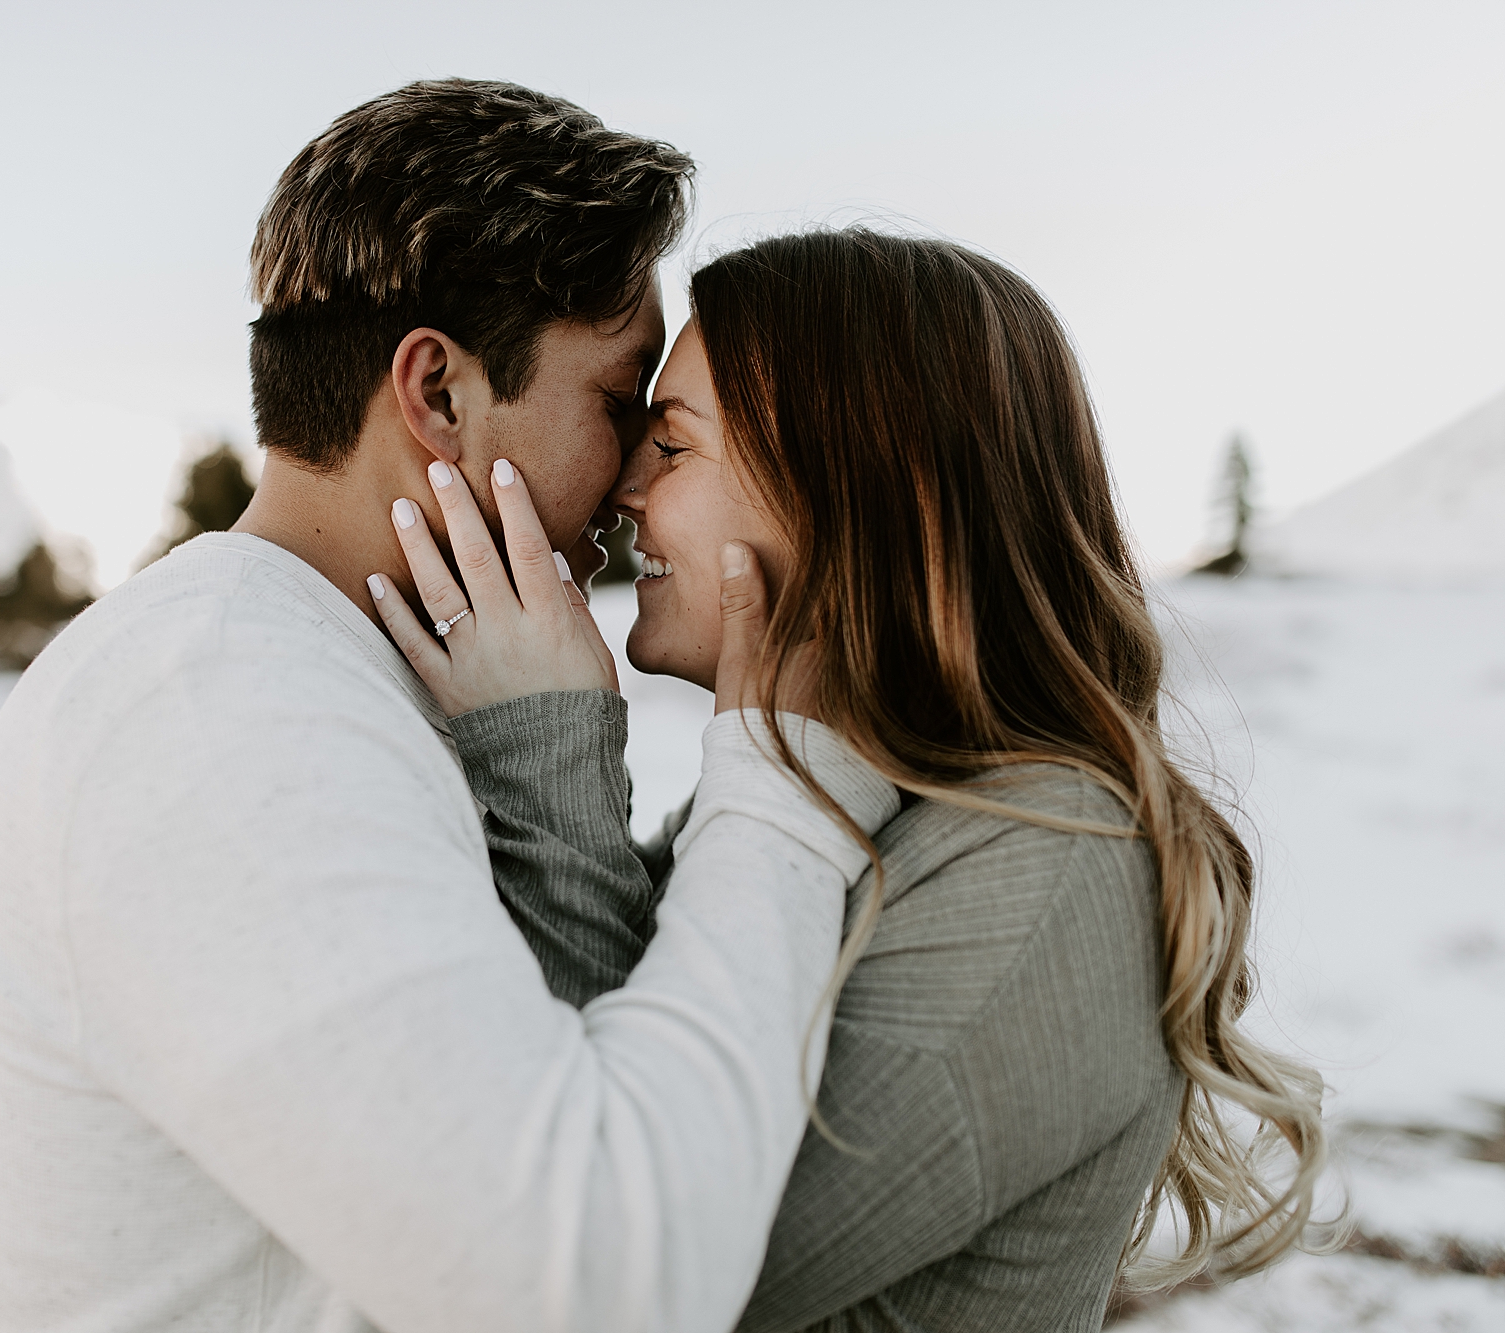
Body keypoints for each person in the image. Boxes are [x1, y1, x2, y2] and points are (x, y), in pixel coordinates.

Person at [0, 82, 905, 1333]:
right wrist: (781, 769)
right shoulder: (220, 716)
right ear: (437, 394)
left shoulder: (337, 679)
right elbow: (593, 1290)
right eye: (617, 410)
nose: (625, 493)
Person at [377, 228, 1331, 1332]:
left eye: (673, 446)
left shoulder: (1052, 864)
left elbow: (605, 1272)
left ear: (853, 491)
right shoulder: (843, 798)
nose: (622, 488)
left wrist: (543, 750)